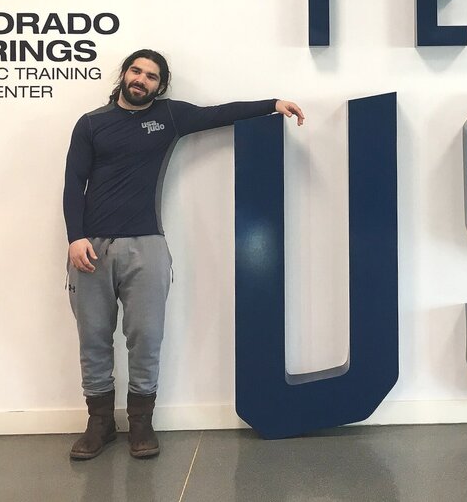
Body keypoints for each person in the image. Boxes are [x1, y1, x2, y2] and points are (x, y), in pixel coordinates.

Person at [63, 49, 304, 460]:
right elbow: (73, 181)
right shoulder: (91, 123)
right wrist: (75, 237)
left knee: (146, 336)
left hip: (147, 246)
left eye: (151, 76)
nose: (142, 80)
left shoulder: (169, 117)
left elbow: (220, 114)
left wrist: (273, 104)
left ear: (160, 86)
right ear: (124, 74)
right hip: (91, 248)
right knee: (94, 338)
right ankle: (99, 423)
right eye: (136, 71)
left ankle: (141, 422)